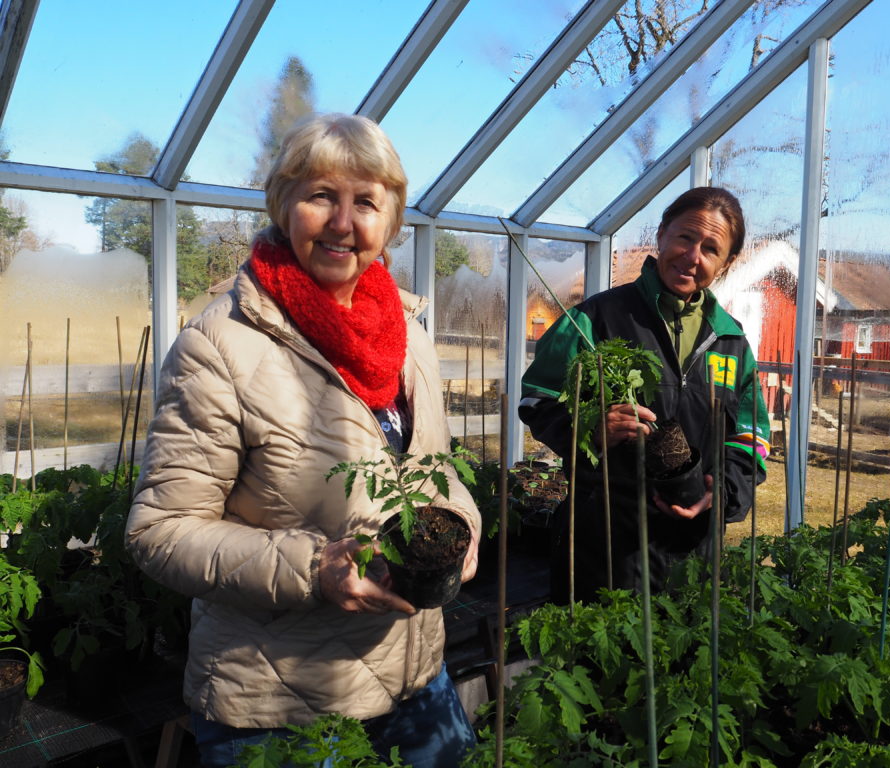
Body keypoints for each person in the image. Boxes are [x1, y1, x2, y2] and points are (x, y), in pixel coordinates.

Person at [126, 113, 481, 767]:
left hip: (414, 674)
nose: (344, 222)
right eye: (322, 196)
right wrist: (313, 570)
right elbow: (160, 531)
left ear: (391, 222)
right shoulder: (219, 346)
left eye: (366, 202)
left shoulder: (410, 337)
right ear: (283, 204)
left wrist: (460, 518)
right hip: (277, 703)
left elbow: (432, 467)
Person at [519, 186, 769, 603]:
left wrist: (719, 491)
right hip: (605, 544)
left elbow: (752, 436)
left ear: (726, 264)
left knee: (683, 658)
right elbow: (538, 399)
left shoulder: (731, 341)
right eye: (686, 237)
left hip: (694, 552)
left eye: (711, 249)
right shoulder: (594, 319)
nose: (693, 256)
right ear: (663, 234)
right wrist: (590, 427)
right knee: (600, 660)